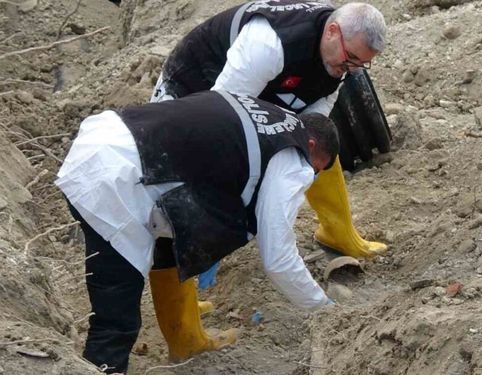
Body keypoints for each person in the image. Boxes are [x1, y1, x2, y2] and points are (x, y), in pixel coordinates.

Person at [55, 90, 339, 373]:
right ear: (311, 145)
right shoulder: (292, 157)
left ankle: (185, 341)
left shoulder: (270, 115)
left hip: (107, 138)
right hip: (115, 182)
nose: (310, 177)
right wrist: (326, 310)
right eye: (316, 169)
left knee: (167, 250)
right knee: (117, 320)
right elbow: (279, 258)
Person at [151, 1, 389, 267]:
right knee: (179, 195)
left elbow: (314, 123)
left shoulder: (340, 55)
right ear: (332, 31)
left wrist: (300, 150)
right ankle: (181, 301)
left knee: (317, 145)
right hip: (194, 86)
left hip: (264, 83)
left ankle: (337, 232)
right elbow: (219, 120)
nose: (354, 69)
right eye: (352, 59)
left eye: (362, 64)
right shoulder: (269, 44)